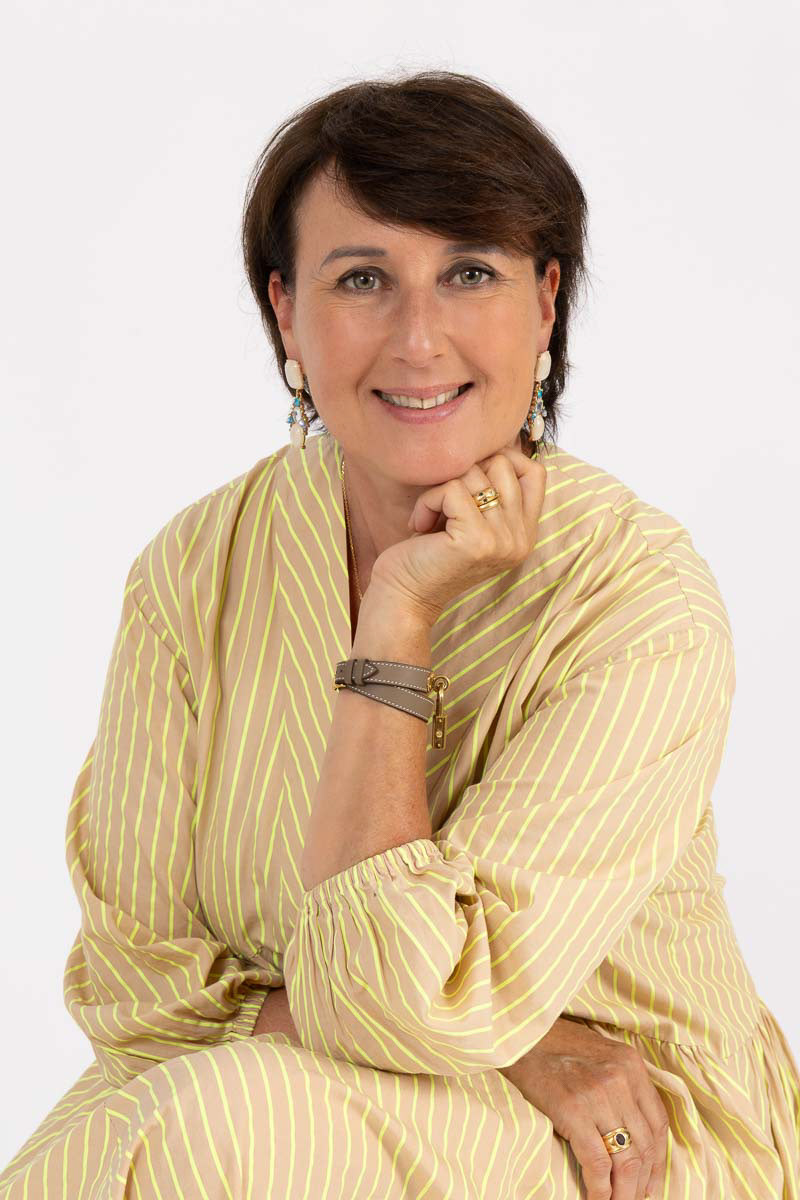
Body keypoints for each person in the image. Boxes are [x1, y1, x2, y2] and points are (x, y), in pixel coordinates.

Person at [1, 69, 798, 1200]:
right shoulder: (195, 568)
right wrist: (521, 1047)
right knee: (146, 1128)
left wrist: (397, 618)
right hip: (295, 1088)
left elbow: (429, 998)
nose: (419, 339)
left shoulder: (638, 603)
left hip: (623, 1134)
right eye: (362, 279)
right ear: (285, 310)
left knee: (209, 1125)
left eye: (469, 273)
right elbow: (132, 987)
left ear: (545, 302)